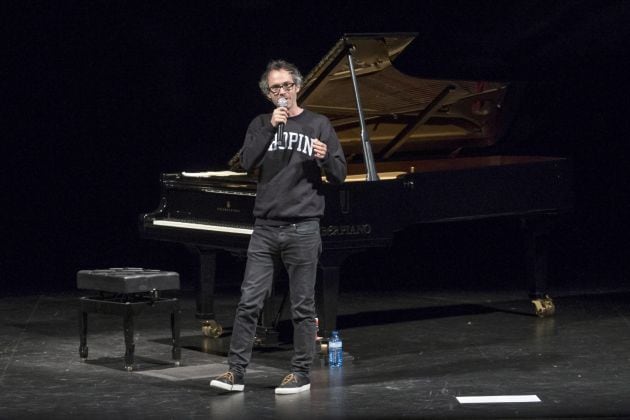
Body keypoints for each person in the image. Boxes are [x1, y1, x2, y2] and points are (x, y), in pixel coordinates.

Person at [210, 59, 347, 395]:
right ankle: (235, 372)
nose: (282, 92)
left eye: (287, 85)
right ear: (269, 95)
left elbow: (340, 174)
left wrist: (325, 156)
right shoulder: (260, 124)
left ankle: (300, 373)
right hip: (266, 228)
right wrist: (272, 127)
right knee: (249, 301)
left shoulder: (319, 123)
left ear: (297, 87)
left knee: (302, 306)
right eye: (275, 88)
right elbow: (246, 163)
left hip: (303, 228)